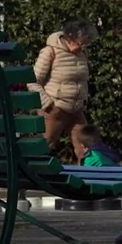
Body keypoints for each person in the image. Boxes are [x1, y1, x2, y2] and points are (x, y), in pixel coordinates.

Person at [30, 20, 95, 158]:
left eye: (86, 43)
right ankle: (32, 171)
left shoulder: (81, 55)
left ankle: (88, 171)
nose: (83, 47)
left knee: (86, 148)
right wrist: (47, 104)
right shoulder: (50, 51)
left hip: (76, 109)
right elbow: (32, 81)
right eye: (81, 43)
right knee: (43, 147)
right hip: (55, 109)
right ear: (70, 38)